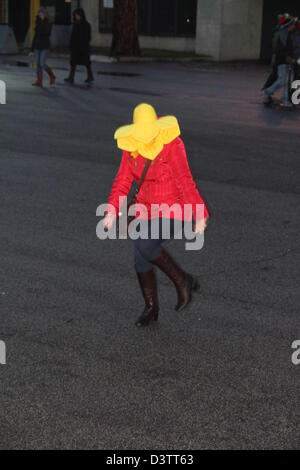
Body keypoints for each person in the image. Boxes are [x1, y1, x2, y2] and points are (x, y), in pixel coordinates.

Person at [103, 103, 210, 327]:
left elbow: (185, 180)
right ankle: (151, 308)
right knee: (140, 257)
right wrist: (111, 211)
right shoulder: (130, 146)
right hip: (145, 208)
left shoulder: (172, 144)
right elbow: (122, 181)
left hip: (174, 208)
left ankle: (183, 281)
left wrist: (200, 214)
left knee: (146, 245)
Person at [263, 15, 297, 108]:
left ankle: (285, 99)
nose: (294, 26)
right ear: (289, 25)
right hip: (282, 62)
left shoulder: (287, 34)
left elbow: (286, 48)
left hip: (287, 61)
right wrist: (288, 57)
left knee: (288, 81)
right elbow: (279, 49)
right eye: (293, 24)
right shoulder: (283, 34)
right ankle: (268, 91)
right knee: (282, 80)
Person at [64, 8, 94, 85]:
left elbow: (88, 37)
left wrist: (84, 44)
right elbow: (73, 36)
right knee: (73, 63)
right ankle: (71, 77)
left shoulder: (86, 25)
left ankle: (90, 76)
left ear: (81, 15)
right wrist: (71, 45)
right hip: (75, 47)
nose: (76, 16)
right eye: (75, 15)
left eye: (77, 15)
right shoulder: (75, 24)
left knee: (86, 63)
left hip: (83, 47)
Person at [31, 7, 56, 87]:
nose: (40, 15)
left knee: (42, 63)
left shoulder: (48, 23)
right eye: (39, 13)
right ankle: (39, 81)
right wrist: (31, 48)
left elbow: (46, 33)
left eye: (42, 13)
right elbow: (35, 36)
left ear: (45, 14)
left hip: (45, 46)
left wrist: (41, 23)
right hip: (37, 46)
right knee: (38, 64)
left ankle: (52, 76)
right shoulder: (37, 23)